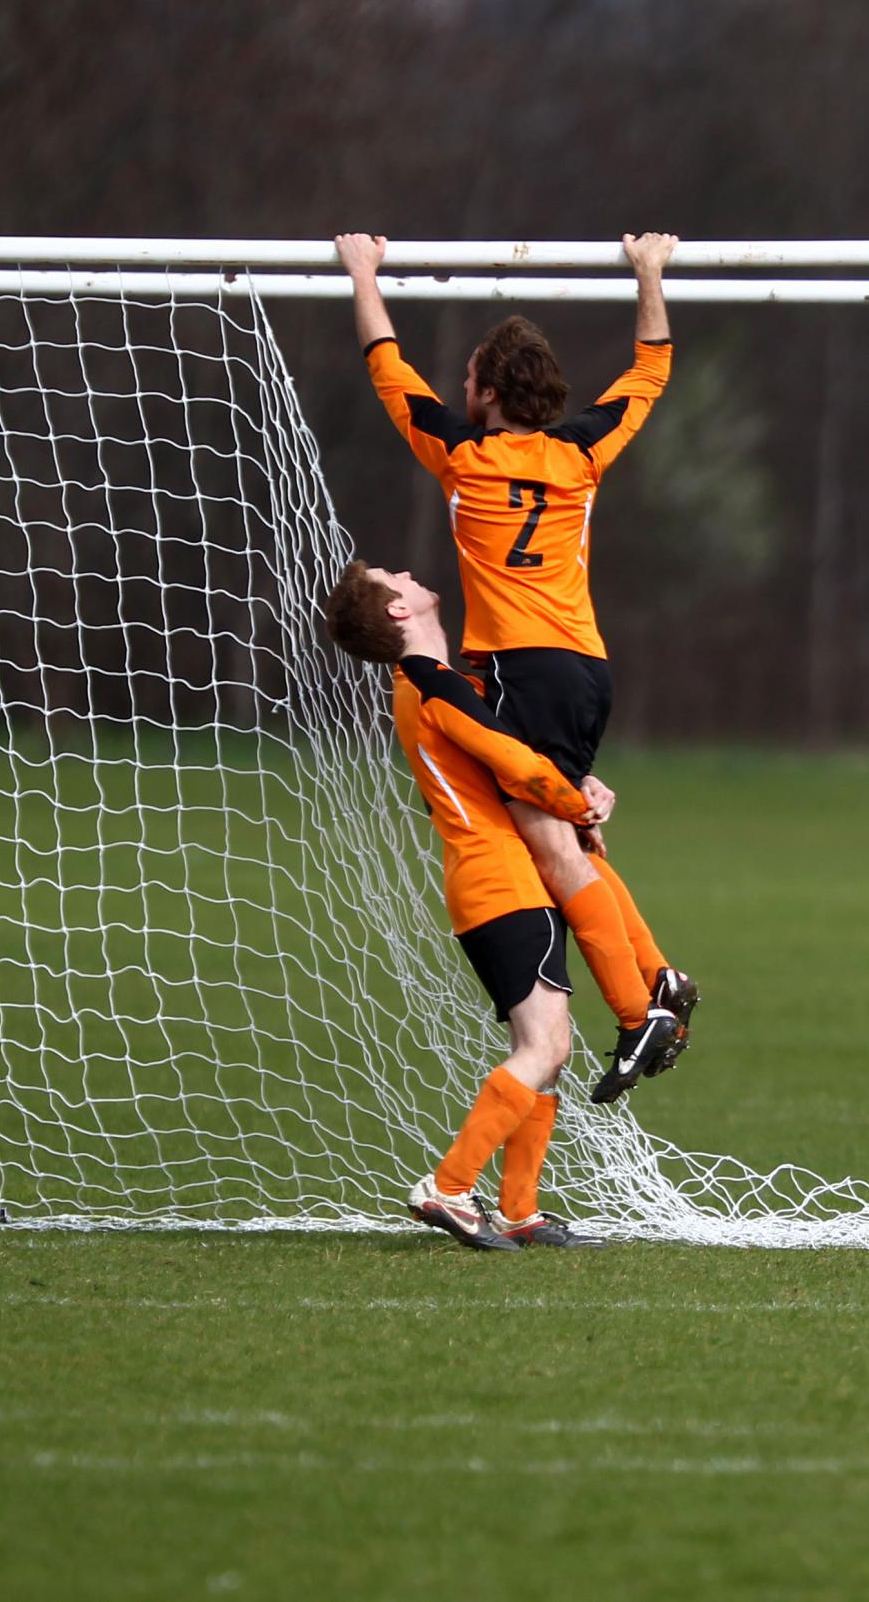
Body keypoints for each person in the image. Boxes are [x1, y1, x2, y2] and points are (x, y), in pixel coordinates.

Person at [335, 229, 695, 1103]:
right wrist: (650, 273)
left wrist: (364, 275)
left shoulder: (462, 458)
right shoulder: (581, 455)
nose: (460, 391)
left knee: (551, 847)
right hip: (586, 668)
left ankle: (639, 1004)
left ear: (489, 395)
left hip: (525, 672)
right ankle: (662, 981)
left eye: (468, 381)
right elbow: (650, 368)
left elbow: (390, 371)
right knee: (570, 839)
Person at [325, 558, 612, 1249]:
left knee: (544, 1045)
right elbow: (516, 767)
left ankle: (521, 1210)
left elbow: (514, 757)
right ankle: (448, 1187)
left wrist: (581, 788)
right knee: (545, 1043)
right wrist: (578, 807)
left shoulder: (441, 683)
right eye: (391, 577)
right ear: (399, 611)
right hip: (501, 878)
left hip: (497, 877)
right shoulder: (434, 686)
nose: (404, 571)